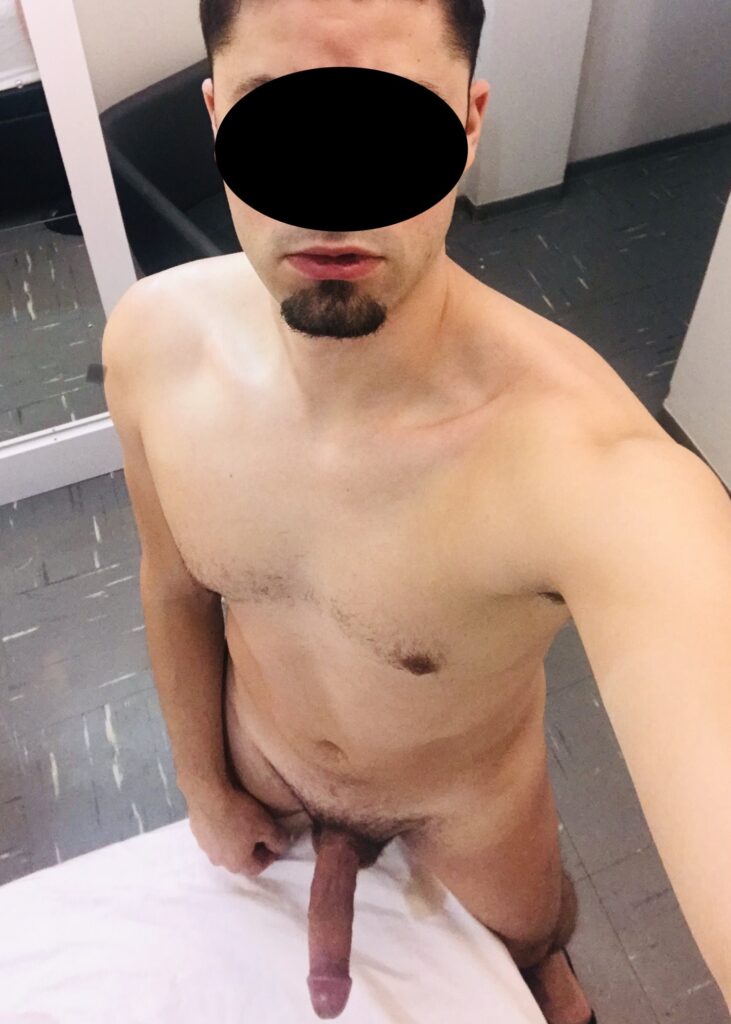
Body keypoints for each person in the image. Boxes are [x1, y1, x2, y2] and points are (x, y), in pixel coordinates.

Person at [103, 1, 731, 1021]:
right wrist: (202, 784)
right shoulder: (151, 347)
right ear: (217, 120)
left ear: (466, 126)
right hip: (261, 758)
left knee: (538, 961)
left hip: (467, 807)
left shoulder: (590, 466)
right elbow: (172, 581)